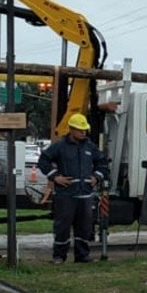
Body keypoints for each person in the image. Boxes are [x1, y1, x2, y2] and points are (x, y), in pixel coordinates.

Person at [38, 113, 108, 264]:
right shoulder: (60, 146)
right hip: (66, 195)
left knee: (84, 227)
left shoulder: (90, 146)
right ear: (71, 129)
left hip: (85, 195)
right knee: (62, 227)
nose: (83, 132)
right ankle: (59, 256)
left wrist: (96, 177)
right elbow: (43, 161)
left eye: (85, 130)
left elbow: (102, 163)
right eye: (80, 130)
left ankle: (82, 256)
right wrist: (55, 177)